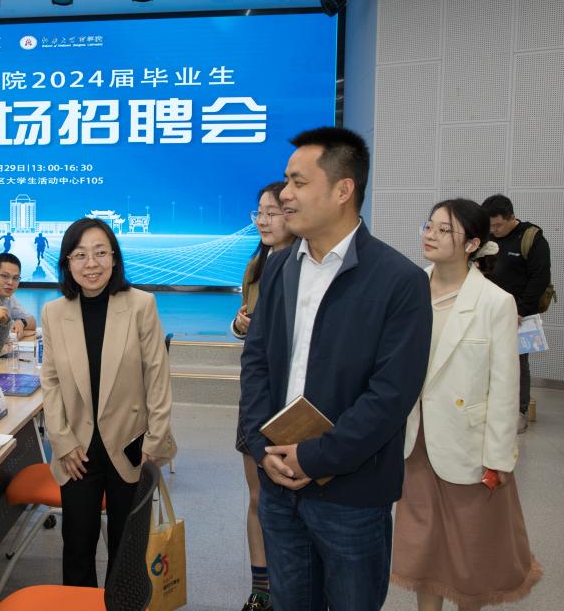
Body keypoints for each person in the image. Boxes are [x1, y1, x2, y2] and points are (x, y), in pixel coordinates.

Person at [239, 127, 432, 611]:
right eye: (286, 181)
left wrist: (316, 457)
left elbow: (391, 395)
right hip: (278, 482)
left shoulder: (398, 281)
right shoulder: (280, 267)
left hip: (352, 492)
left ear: (343, 189)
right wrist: (261, 447)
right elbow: (257, 362)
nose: (285, 195)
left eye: (299, 182)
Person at [392, 198, 542, 609]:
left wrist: (498, 458)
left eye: (445, 230)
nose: (431, 235)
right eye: (429, 226)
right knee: (422, 546)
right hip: (417, 439)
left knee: (469, 549)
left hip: (470, 446)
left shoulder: (495, 302)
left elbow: (505, 386)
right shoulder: (410, 289)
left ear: (472, 244)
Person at [40, 217, 177, 588]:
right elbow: (50, 381)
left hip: (132, 445)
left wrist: (155, 441)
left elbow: (157, 378)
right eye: (80, 255)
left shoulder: (140, 305)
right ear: (67, 262)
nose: (92, 264)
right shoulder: (54, 312)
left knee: (127, 548)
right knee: (77, 547)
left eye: (101, 253)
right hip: (77, 450)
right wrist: (61, 440)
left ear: (114, 258)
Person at [232, 181, 294, 611]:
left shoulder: (306, 266)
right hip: (257, 399)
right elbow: (245, 326)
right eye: (260, 212)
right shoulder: (256, 264)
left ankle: (291, 585)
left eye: (273, 212)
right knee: (257, 497)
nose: (264, 220)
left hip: (292, 401)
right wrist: (240, 325)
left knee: (289, 502)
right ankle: (261, 588)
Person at [480, 194, 551, 433]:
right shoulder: (486, 237)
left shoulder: (532, 238)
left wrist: (520, 310)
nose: (494, 230)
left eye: (498, 225)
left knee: (516, 362)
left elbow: (540, 278)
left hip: (518, 314)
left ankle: (518, 412)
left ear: (512, 217)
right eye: (490, 226)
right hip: (487, 310)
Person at [0, 252, 36, 345]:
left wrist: (22, 322)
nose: (10, 282)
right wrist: (21, 331)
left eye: (15, 278)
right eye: (5, 276)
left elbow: (32, 321)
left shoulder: (7, 294)